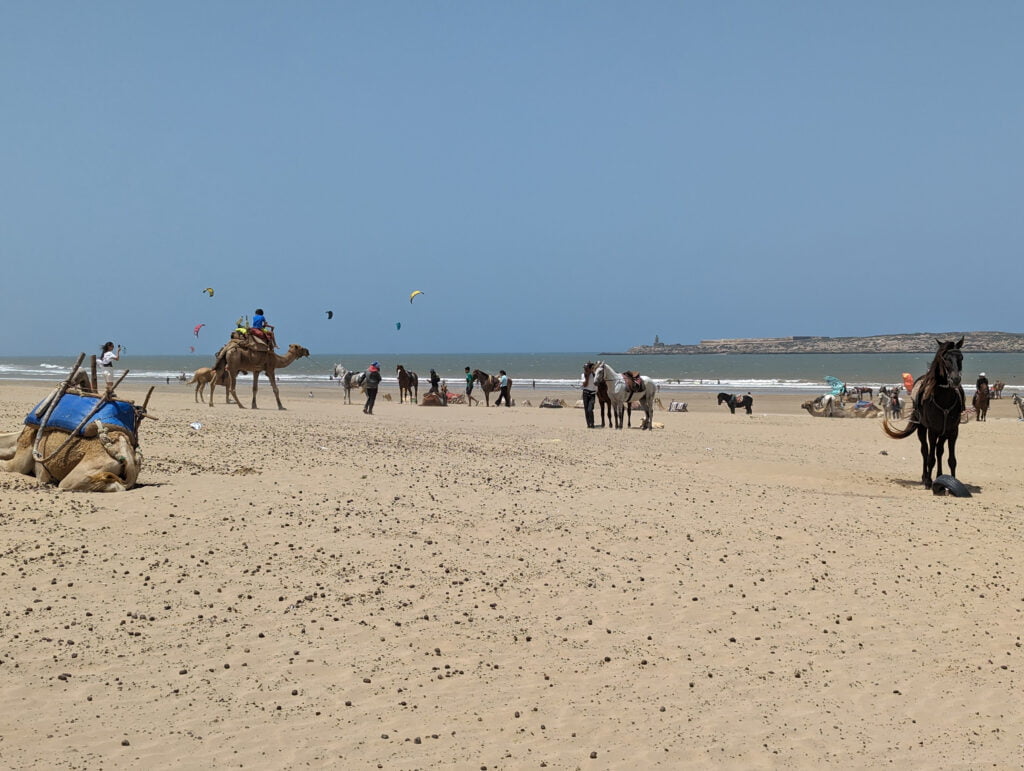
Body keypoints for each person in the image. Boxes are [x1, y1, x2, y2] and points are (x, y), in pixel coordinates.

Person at [581, 363, 598, 428]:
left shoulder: (594, 375)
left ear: (590, 369)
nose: (585, 370)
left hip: (592, 394)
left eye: (586, 368)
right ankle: (588, 424)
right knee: (586, 410)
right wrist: (587, 377)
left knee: (590, 409)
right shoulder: (583, 375)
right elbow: (585, 385)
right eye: (584, 368)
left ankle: (592, 423)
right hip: (585, 393)